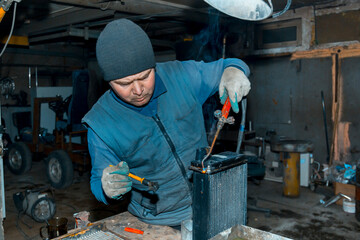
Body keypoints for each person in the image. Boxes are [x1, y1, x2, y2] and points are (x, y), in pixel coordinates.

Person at [82, 19, 251, 227]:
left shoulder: (182, 76)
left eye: (144, 77)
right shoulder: (101, 123)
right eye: (124, 84)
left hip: (209, 201)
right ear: (108, 81)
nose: (137, 90)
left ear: (154, 66)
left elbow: (225, 67)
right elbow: (98, 178)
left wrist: (233, 71)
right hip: (156, 220)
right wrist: (107, 187)